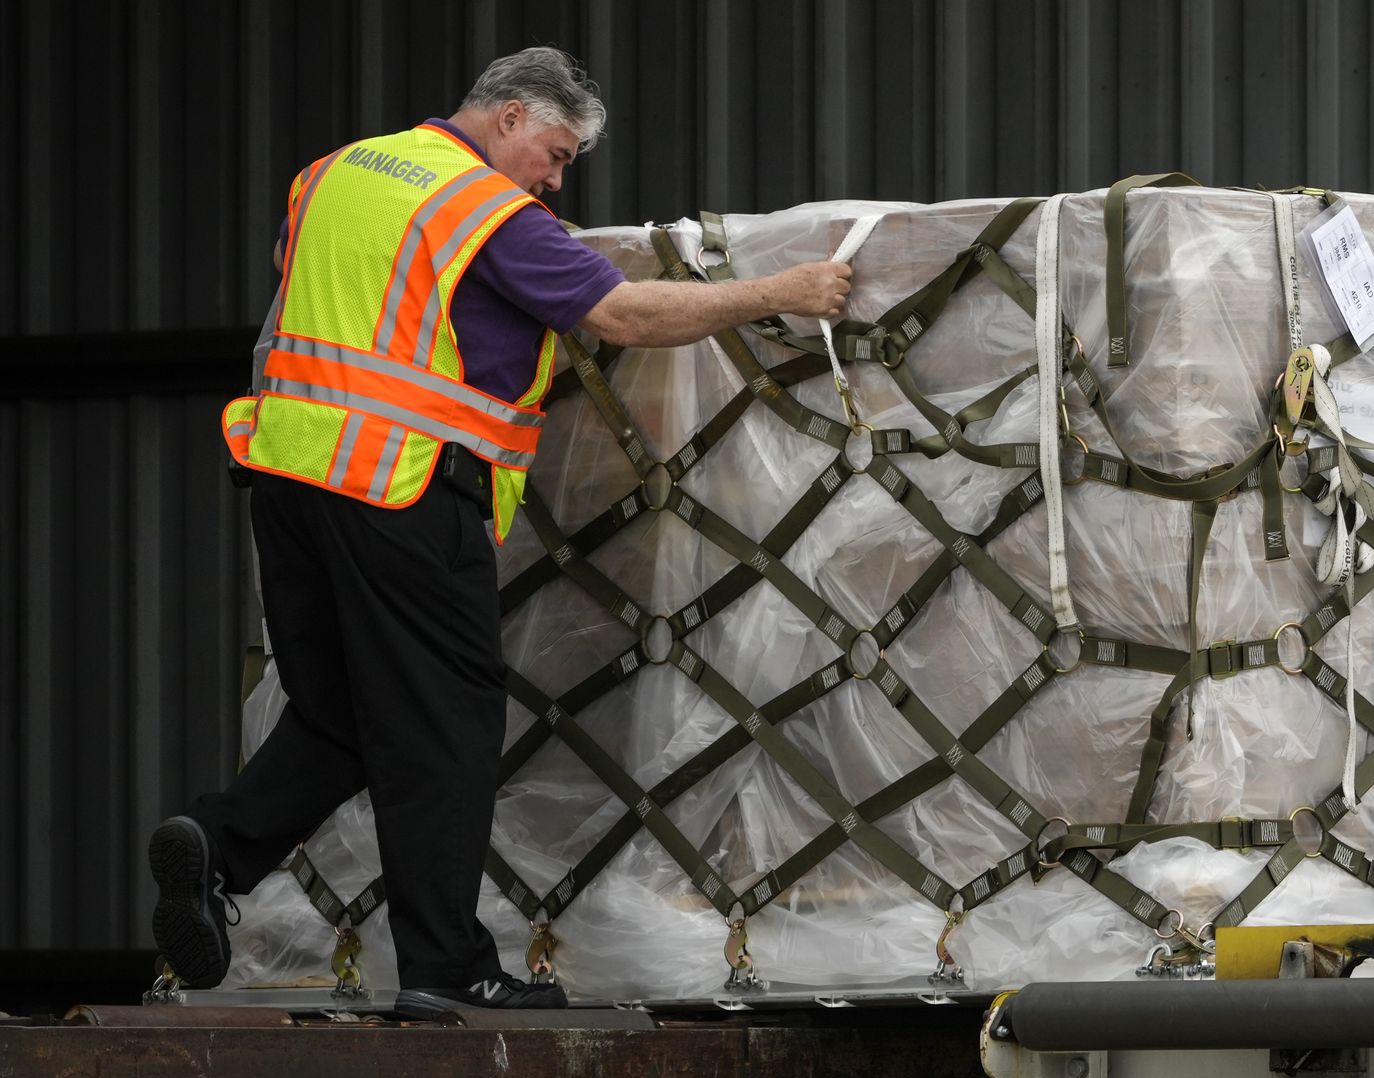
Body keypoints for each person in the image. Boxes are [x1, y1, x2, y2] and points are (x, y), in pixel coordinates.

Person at [147, 46, 851, 1018]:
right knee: (446, 722)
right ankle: (448, 966)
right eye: (556, 154)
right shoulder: (485, 211)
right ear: (511, 116)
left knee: (338, 716)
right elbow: (626, 312)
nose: (558, 180)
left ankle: (215, 851)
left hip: (288, 476)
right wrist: (782, 292)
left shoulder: (335, 173)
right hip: (401, 486)